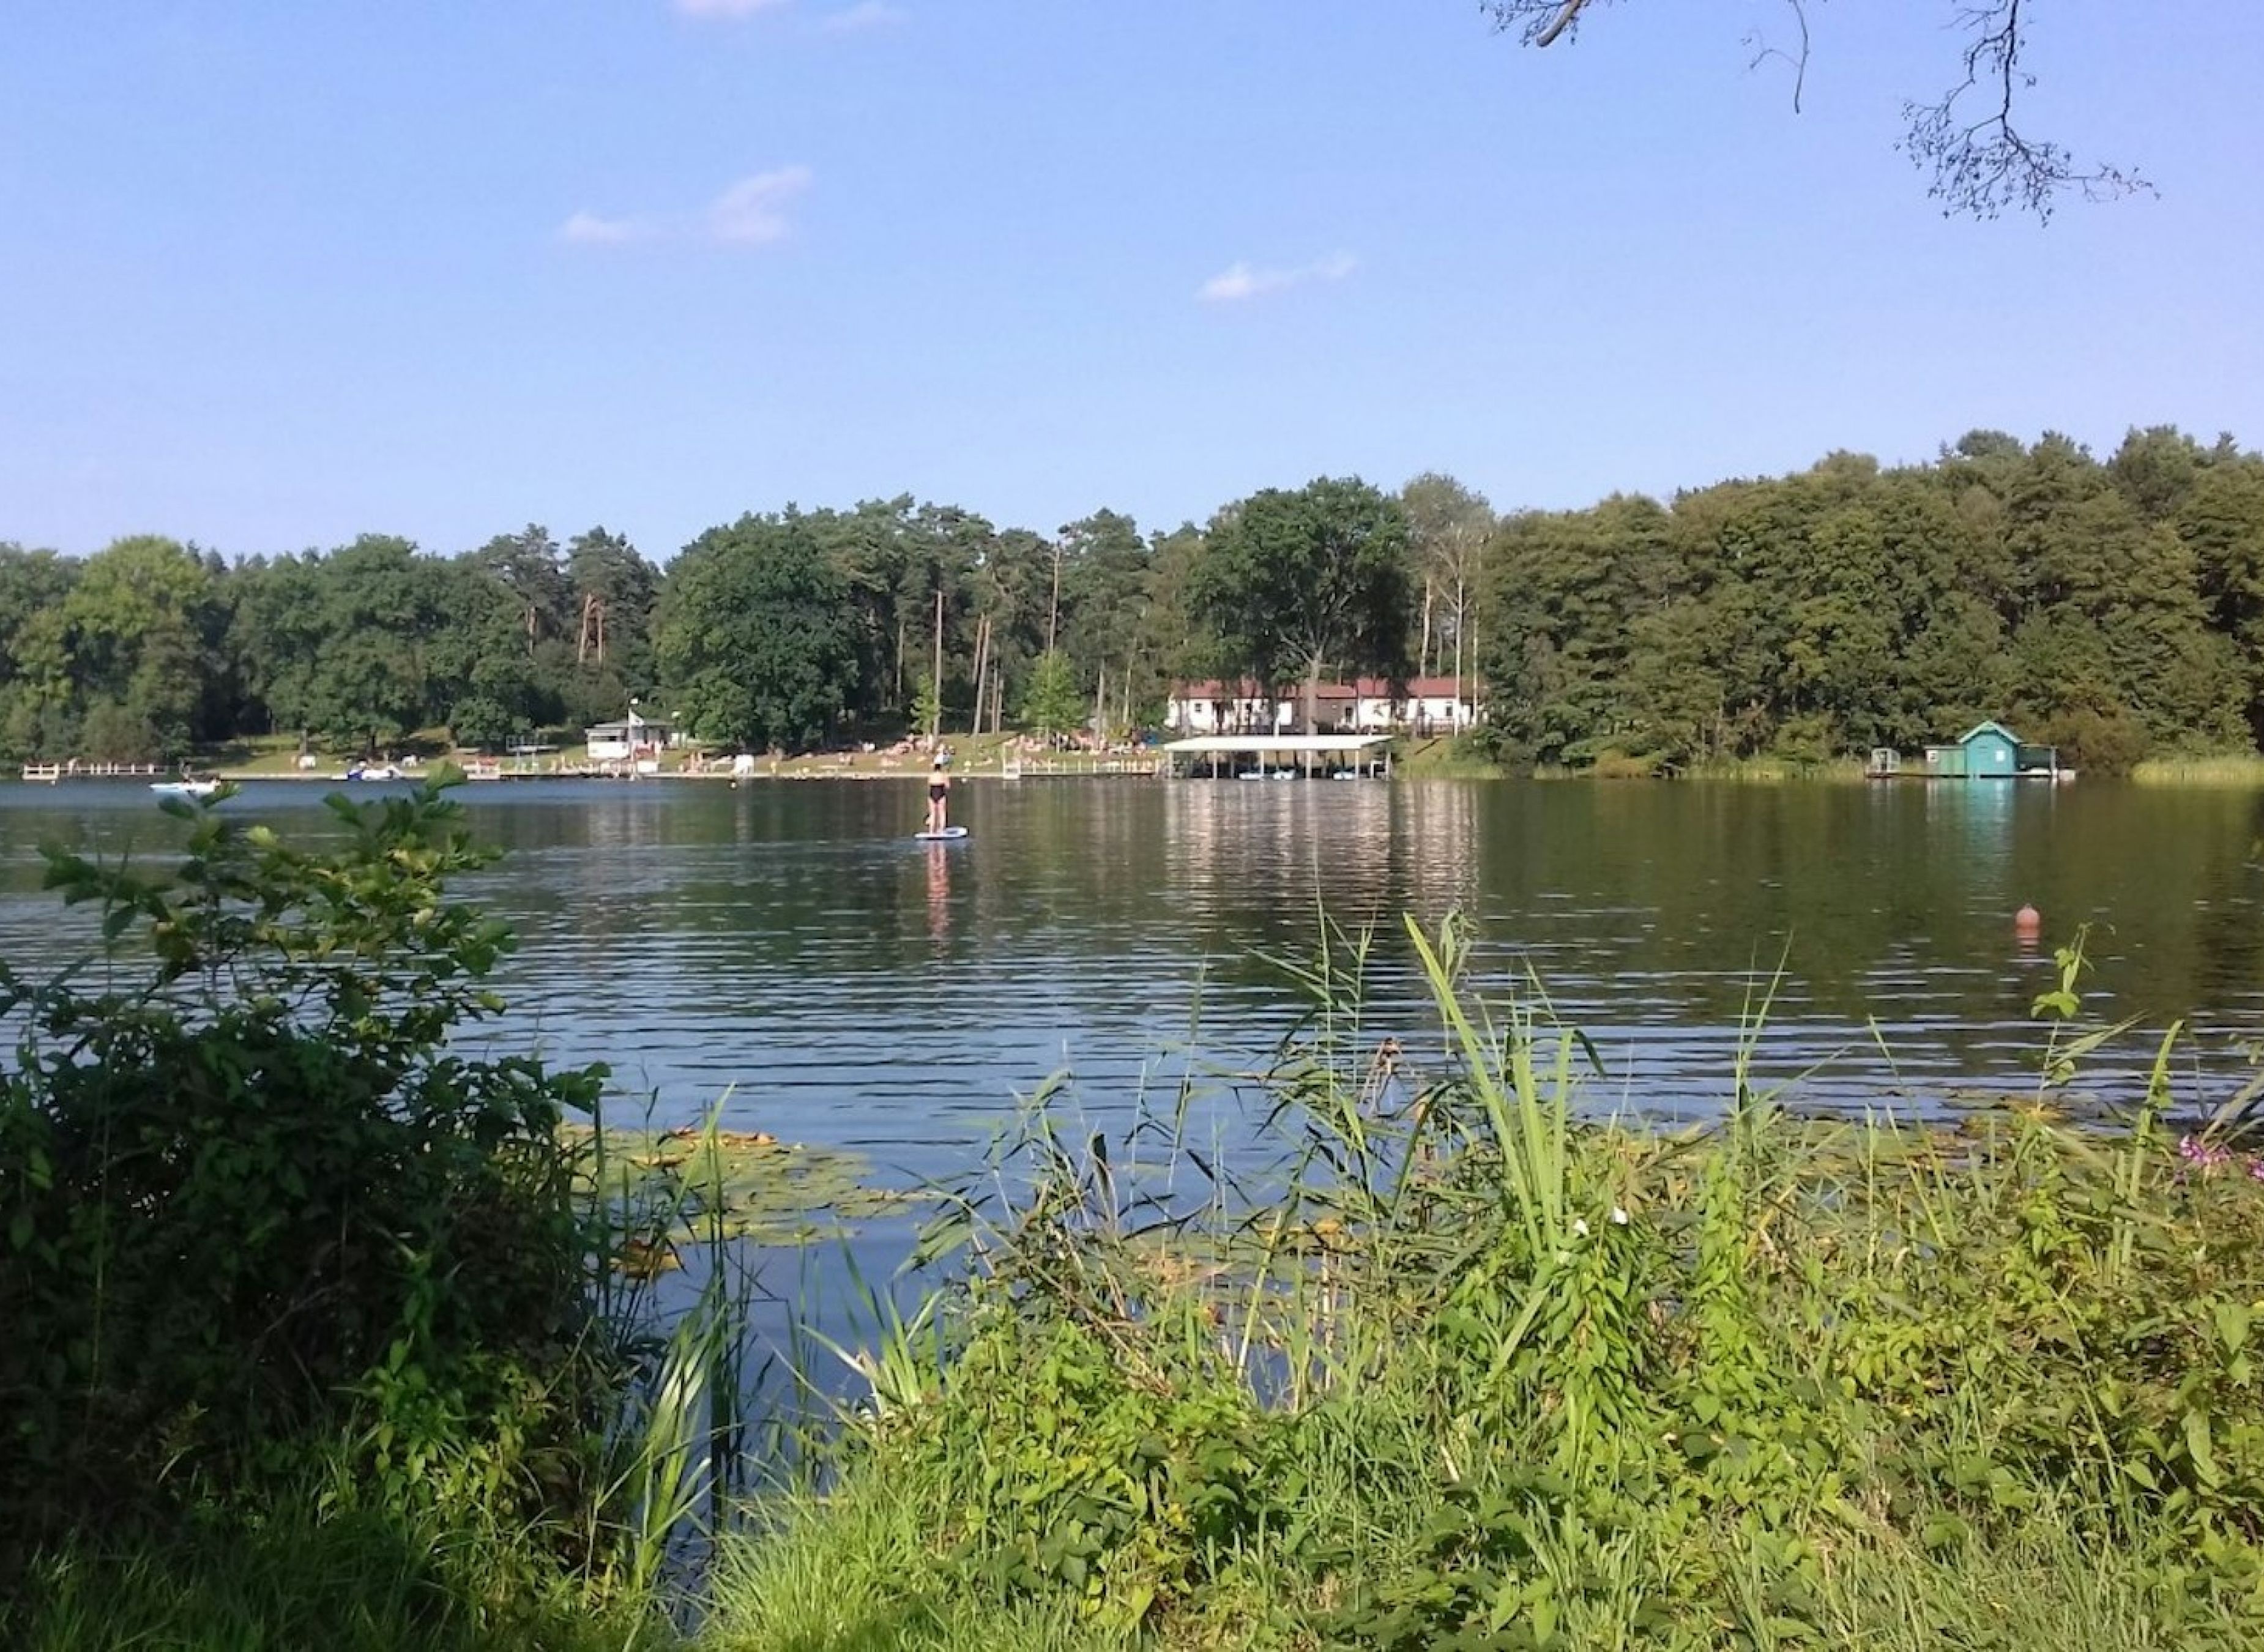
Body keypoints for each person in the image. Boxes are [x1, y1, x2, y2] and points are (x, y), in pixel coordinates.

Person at [926, 753, 951, 833]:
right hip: (941, 794)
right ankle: (942, 830)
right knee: (942, 813)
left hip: (932, 794)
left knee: (933, 813)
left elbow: (929, 784)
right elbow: (948, 786)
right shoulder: (943, 776)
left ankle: (931, 831)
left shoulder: (931, 776)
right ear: (941, 768)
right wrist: (947, 778)